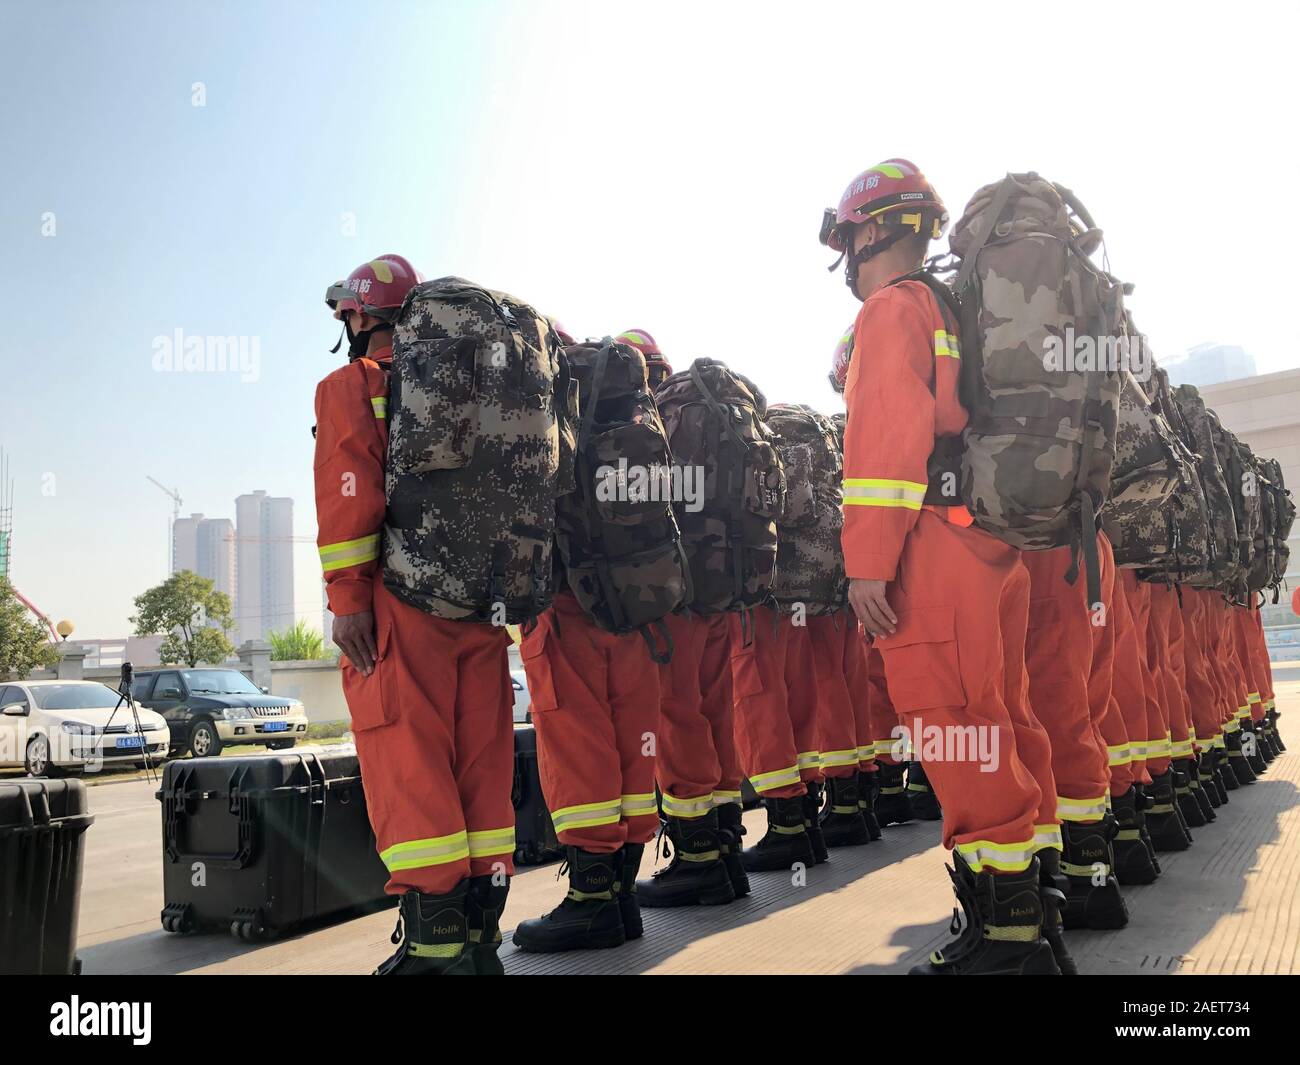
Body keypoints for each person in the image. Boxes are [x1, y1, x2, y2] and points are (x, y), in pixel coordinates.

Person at [822, 159, 1064, 975]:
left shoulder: (893, 311)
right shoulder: (949, 305)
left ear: (874, 231)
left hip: (931, 550)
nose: (847, 257)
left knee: (959, 728)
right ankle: (1033, 906)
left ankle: (1007, 939)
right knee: (1004, 720)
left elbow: (886, 453)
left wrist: (867, 565)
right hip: (987, 544)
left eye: (849, 237)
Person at [315, 255, 516, 975]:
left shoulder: (356, 385)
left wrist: (348, 600)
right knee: (480, 767)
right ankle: (482, 941)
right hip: (482, 606)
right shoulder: (483, 395)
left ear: (361, 316)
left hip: (402, 607)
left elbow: (349, 495)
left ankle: (434, 950)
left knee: (410, 762)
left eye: (347, 315)